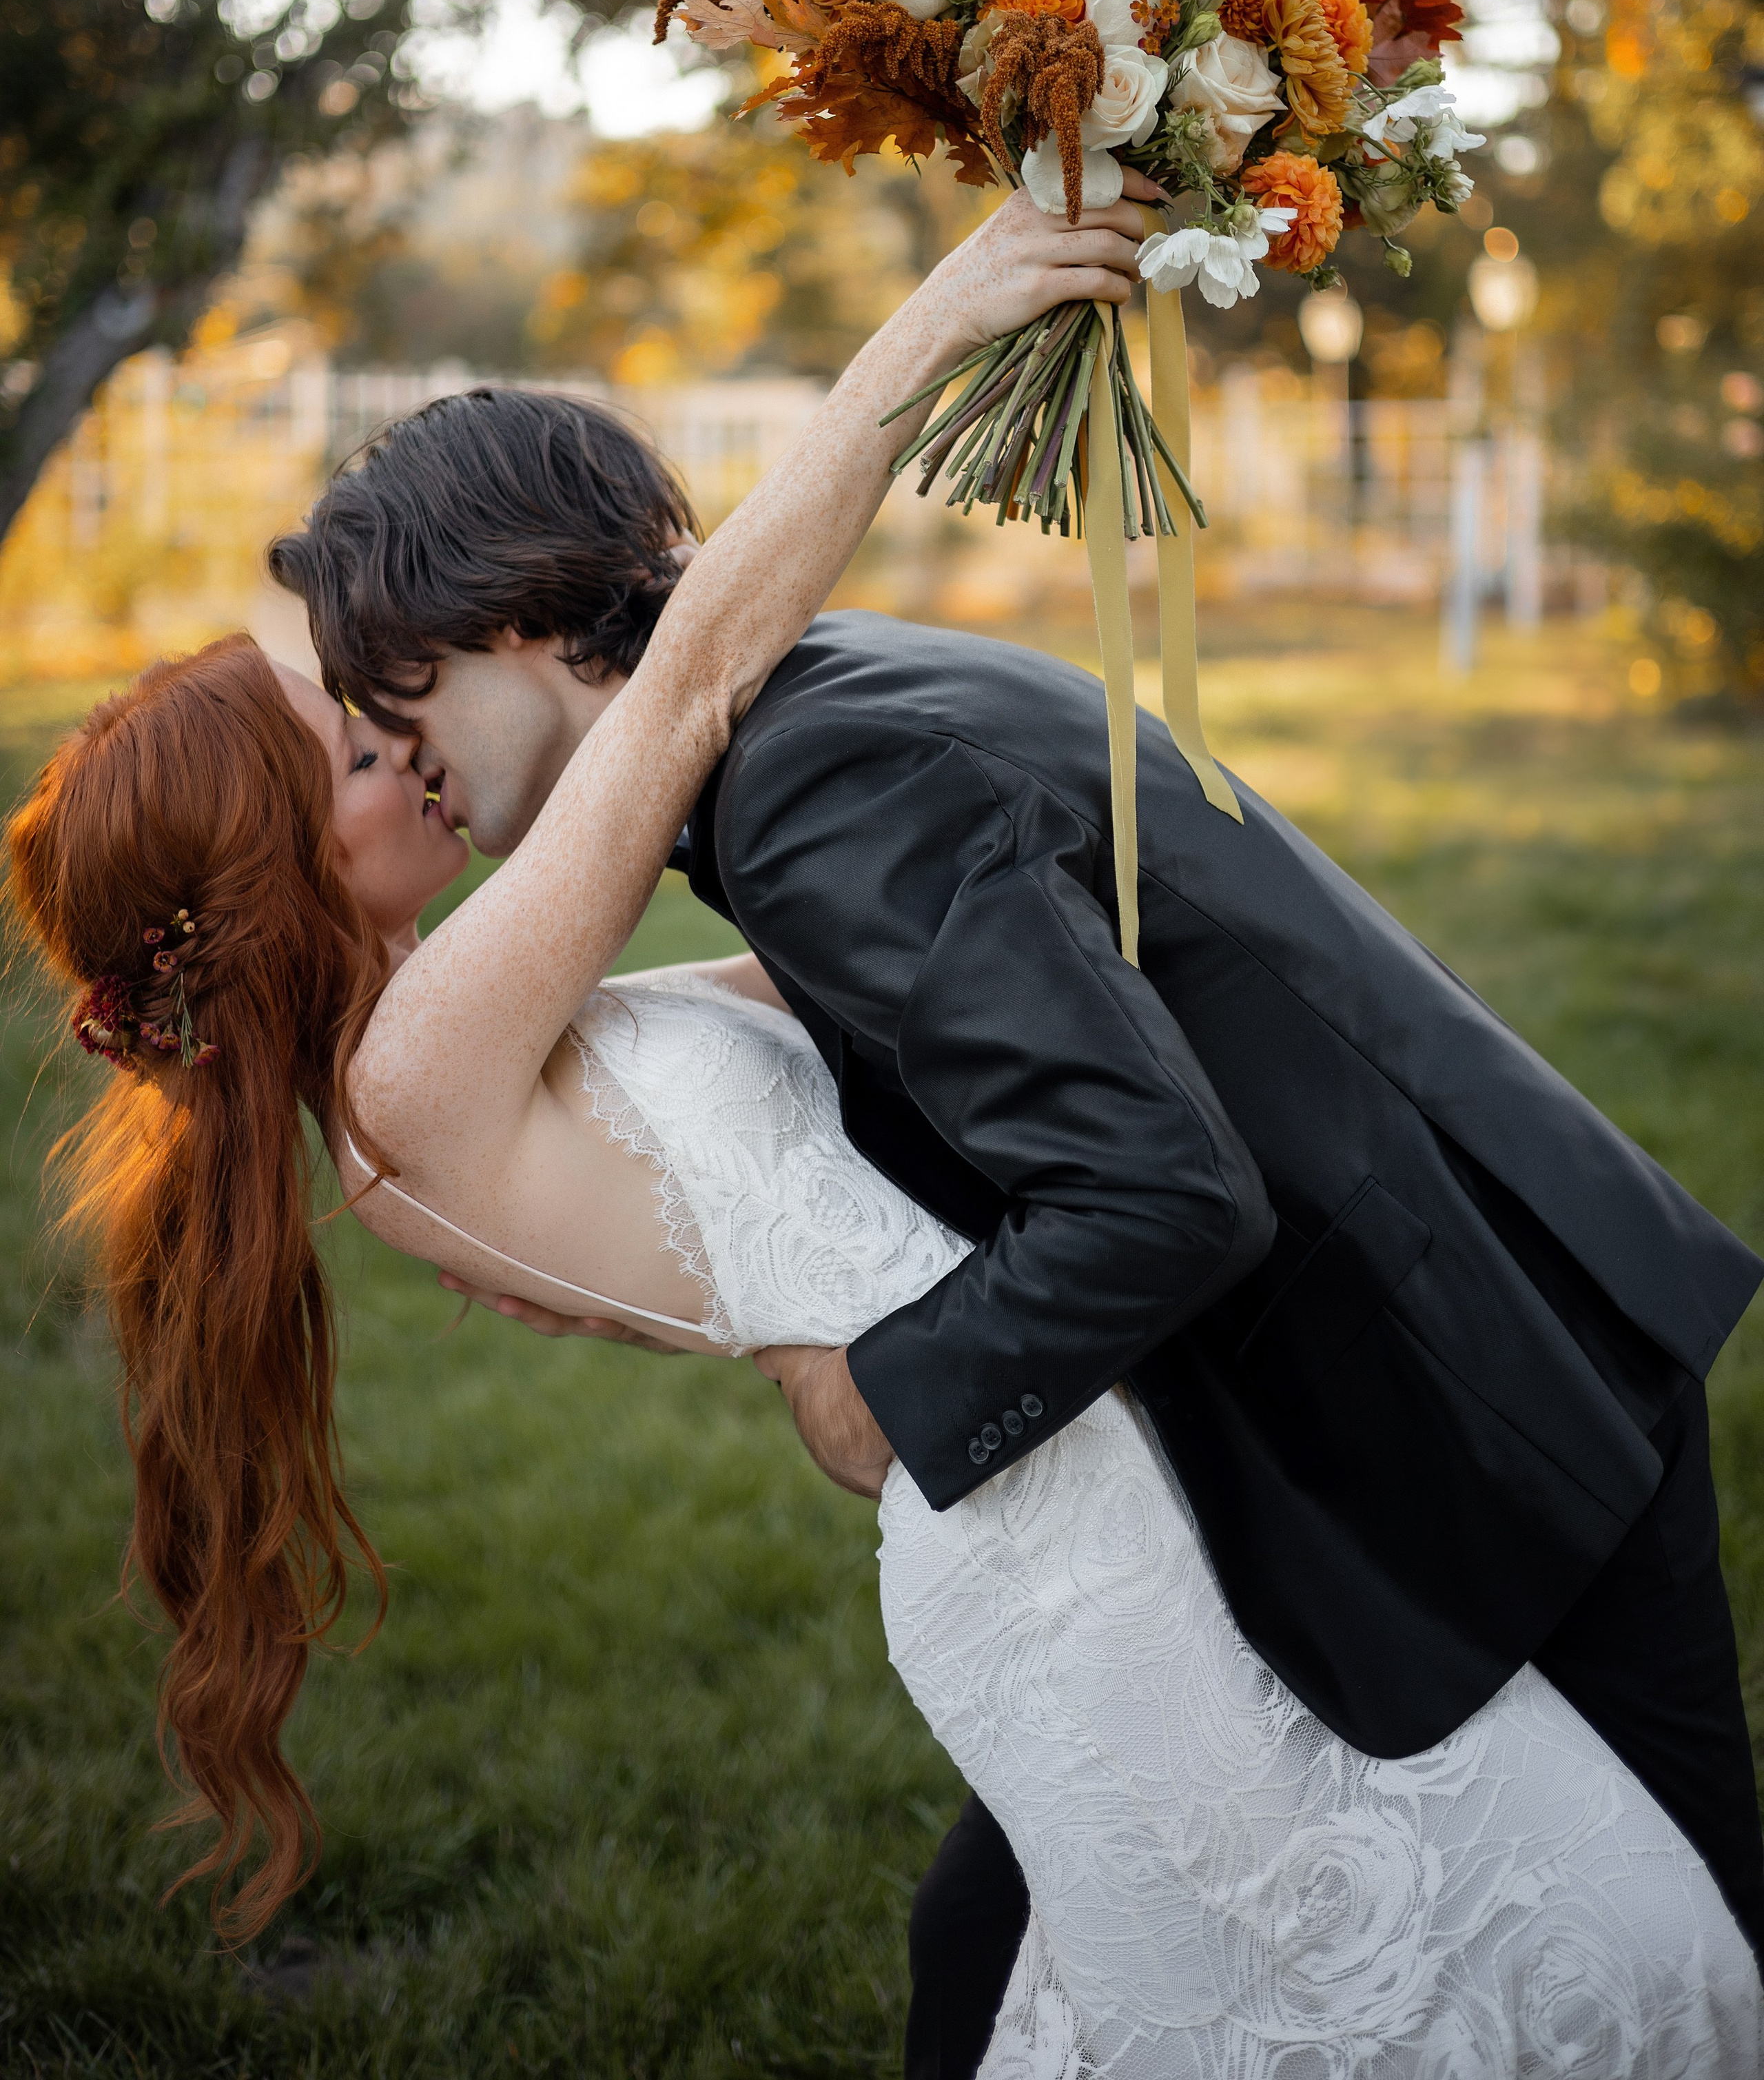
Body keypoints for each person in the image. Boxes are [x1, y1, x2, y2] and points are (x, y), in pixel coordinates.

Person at [10, 184, 1759, 2074]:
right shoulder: (452, 1044)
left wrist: (858, 1373)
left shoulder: (738, 830)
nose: (387, 737)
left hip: (1379, 1390)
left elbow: (800, 917)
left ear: (504, 620)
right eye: (343, 744)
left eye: (380, 703)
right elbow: (683, 715)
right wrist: (951, 314)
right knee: (1133, 1971)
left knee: (1560, 1953)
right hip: (1160, 1459)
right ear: (273, 871)